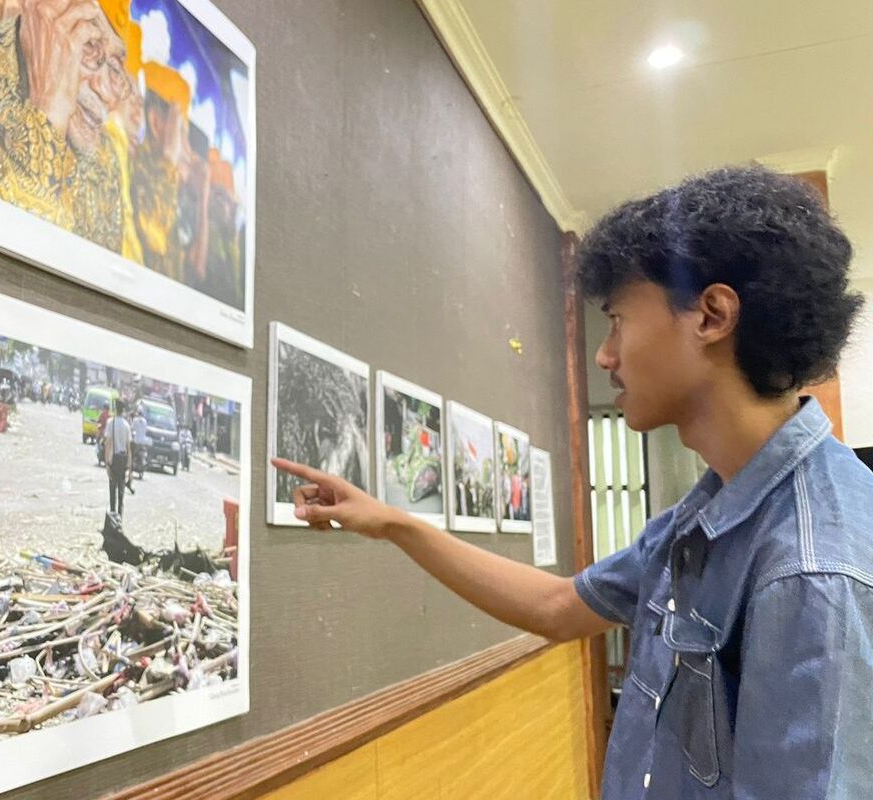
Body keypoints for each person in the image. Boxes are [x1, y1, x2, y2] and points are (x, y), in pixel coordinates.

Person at [274, 166, 873, 799]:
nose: (604, 354)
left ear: (713, 315)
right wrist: (394, 521)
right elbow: (558, 608)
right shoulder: (705, 514)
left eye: (617, 319)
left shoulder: (812, 568)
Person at [0, 0, 136, 251]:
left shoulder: (104, 162)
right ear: (42, 10)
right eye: (90, 46)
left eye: (115, 65)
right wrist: (50, 109)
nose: (107, 93)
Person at [102, 398, 131, 516]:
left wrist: (106, 464)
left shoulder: (110, 423)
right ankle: (120, 520)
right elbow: (129, 448)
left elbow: (107, 444)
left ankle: (113, 519)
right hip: (123, 461)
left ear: (115, 409)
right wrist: (130, 467)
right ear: (123, 410)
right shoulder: (126, 425)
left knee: (112, 492)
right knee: (121, 494)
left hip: (113, 461)